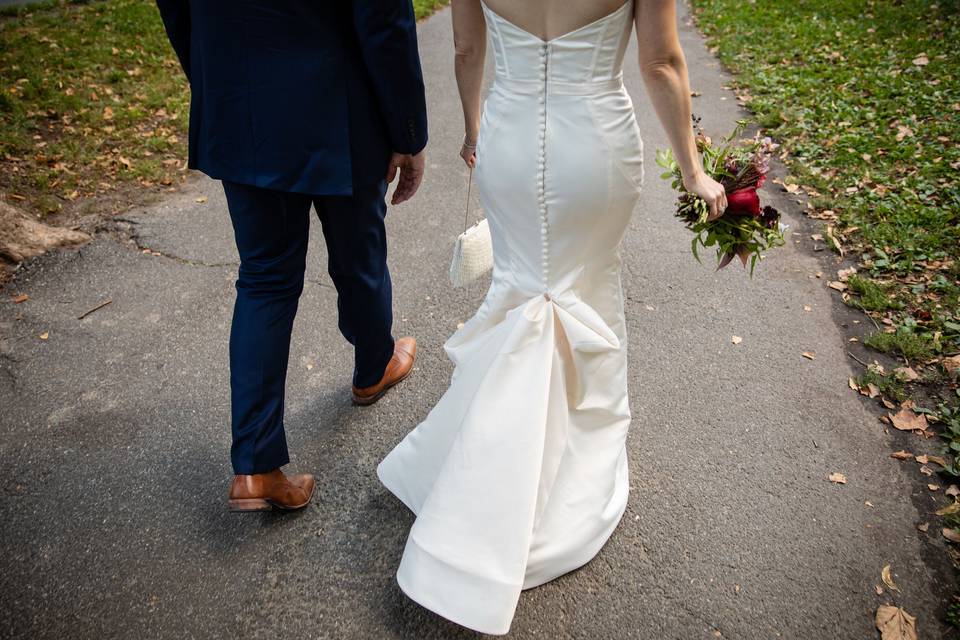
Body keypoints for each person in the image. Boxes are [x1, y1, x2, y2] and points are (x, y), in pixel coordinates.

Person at [377, 0, 726, 634]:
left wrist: (476, 129)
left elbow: (464, 50)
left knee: (522, 291)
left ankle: (489, 460)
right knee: (579, 290)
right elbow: (660, 61)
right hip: (595, 145)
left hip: (508, 140)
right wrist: (695, 170)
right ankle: (520, 493)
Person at [155, 0, 428, 512]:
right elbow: (385, 18)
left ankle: (256, 467)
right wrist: (407, 132)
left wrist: (219, 79)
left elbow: (176, 7)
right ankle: (373, 367)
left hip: (241, 106)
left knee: (264, 278)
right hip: (339, 107)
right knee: (358, 252)